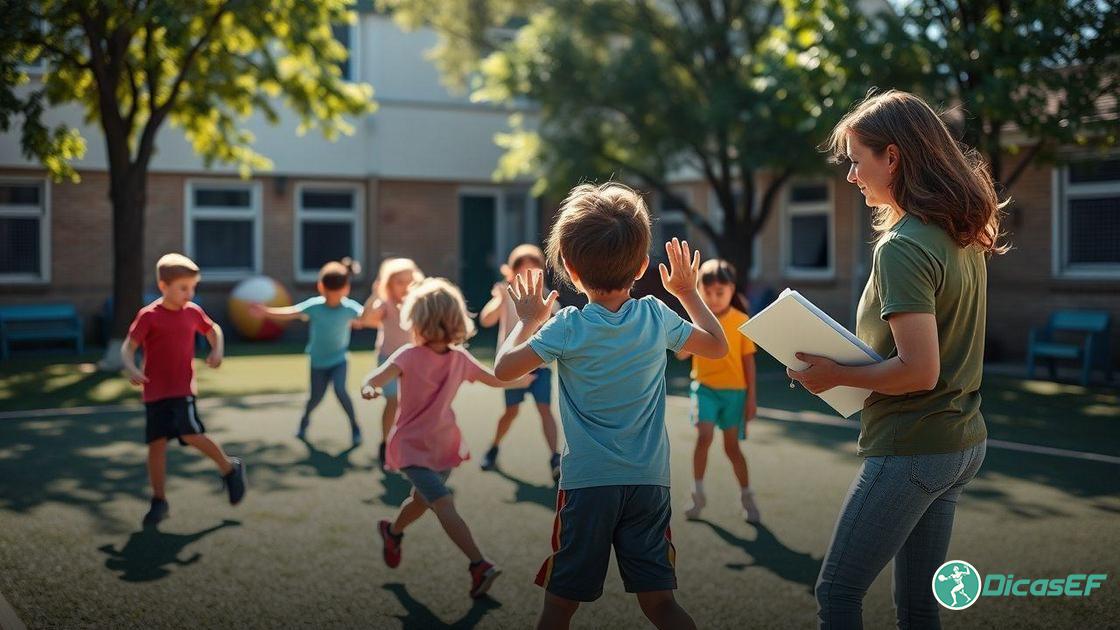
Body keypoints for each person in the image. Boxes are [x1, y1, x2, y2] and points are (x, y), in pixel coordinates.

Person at [790, 89, 1003, 628]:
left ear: (893, 157)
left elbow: (918, 370)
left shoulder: (903, 245)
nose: (852, 176)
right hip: (960, 441)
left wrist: (836, 374)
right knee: (917, 606)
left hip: (913, 446)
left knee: (837, 592)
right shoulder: (959, 229)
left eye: (858, 161)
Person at [493, 182, 728, 630]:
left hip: (587, 487)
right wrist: (687, 291)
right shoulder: (656, 317)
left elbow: (505, 369)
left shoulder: (566, 327)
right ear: (642, 266)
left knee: (559, 607)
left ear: (568, 268)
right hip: (649, 485)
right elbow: (717, 346)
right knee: (661, 605)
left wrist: (525, 322)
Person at [363, 277, 533, 599]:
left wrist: (519, 381)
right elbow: (377, 376)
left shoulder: (458, 358)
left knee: (420, 501)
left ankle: (392, 531)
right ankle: (478, 564)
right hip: (412, 447)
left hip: (443, 445)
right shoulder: (408, 355)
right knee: (442, 501)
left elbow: (492, 379)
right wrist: (369, 387)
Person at [121, 253, 246, 526]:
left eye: (193, 288)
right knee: (156, 446)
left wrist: (217, 349)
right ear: (163, 287)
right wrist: (131, 368)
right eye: (183, 288)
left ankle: (229, 468)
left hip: (182, 389)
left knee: (190, 434)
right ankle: (159, 500)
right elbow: (128, 347)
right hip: (154, 392)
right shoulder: (148, 316)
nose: (190, 294)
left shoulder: (192, 312)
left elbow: (214, 330)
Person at [675, 258, 760, 523]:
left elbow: (749, 363)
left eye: (719, 293)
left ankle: (747, 497)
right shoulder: (698, 321)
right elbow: (680, 355)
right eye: (707, 293)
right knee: (704, 436)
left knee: (732, 448)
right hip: (705, 389)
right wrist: (694, 332)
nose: (713, 299)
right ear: (699, 291)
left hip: (735, 393)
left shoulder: (742, 321)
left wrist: (751, 399)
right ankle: (697, 494)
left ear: (732, 290)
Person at [251, 258, 365, 445]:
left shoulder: (349, 308)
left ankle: (355, 426)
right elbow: (291, 312)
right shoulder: (314, 306)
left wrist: (376, 312)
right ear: (321, 287)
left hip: (339, 360)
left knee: (340, 390)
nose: (333, 298)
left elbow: (367, 318)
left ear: (346, 289)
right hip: (318, 362)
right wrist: (266, 312)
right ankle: (304, 421)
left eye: (337, 293)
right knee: (315, 398)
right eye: (329, 294)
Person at [477, 244, 561, 481]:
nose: (527, 276)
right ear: (511, 272)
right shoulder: (505, 292)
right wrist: (499, 297)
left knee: (545, 409)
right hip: (512, 366)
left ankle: (555, 458)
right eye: (522, 270)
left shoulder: (544, 295)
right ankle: (493, 447)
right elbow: (486, 319)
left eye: (533, 271)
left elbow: (555, 318)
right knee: (510, 412)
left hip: (539, 365)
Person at [356, 258, 425, 469]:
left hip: (413, 360)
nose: (404, 286)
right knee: (393, 401)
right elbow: (365, 319)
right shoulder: (384, 304)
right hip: (388, 359)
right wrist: (375, 294)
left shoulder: (418, 304)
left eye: (408, 281)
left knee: (414, 404)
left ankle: (410, 446)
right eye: (398, 282)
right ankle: (385, 443)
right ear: (388, 284)